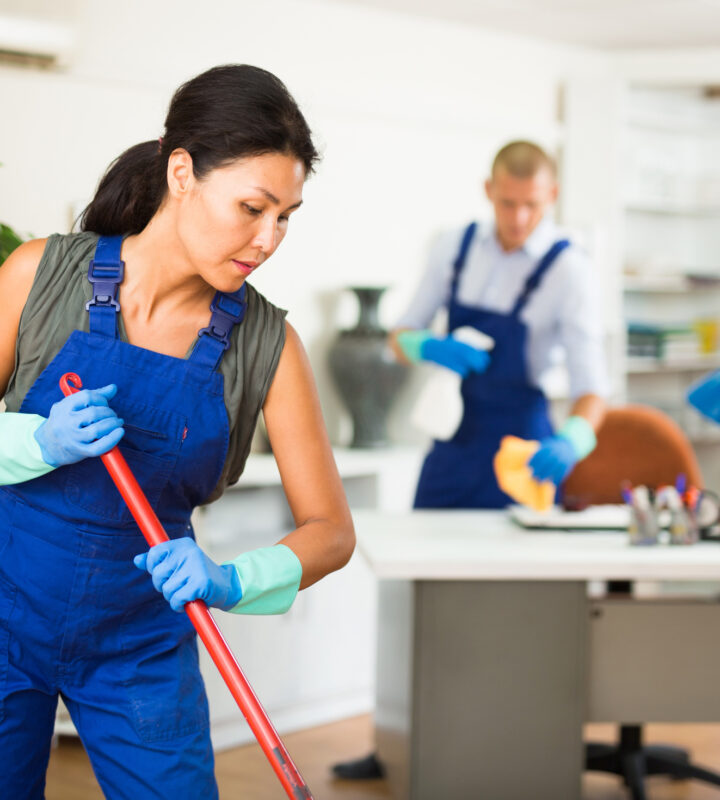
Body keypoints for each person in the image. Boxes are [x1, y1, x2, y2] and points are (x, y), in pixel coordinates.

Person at [0, 64, 355, 799]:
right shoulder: (39, 275)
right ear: (183, 172)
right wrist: (38, 444)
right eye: (252, 207)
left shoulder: (269, 347)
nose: (267, 239)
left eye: (285, 216)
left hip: (141, 648)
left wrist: (230, 580)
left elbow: (330, 530)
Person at [332, 140, 608, 780]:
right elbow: (398, 338)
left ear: (552, 198)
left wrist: (572, 443)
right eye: (508, 204)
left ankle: (516, 748)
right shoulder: (454, 248)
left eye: (532, 207)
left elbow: (596, 391)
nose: (518, 220)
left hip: (524, 446)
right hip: (454, 442)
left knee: (521, 608)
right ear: (489, 191)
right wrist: (428, 344)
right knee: (418, 595)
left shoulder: (572, 271)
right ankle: (397, 745)